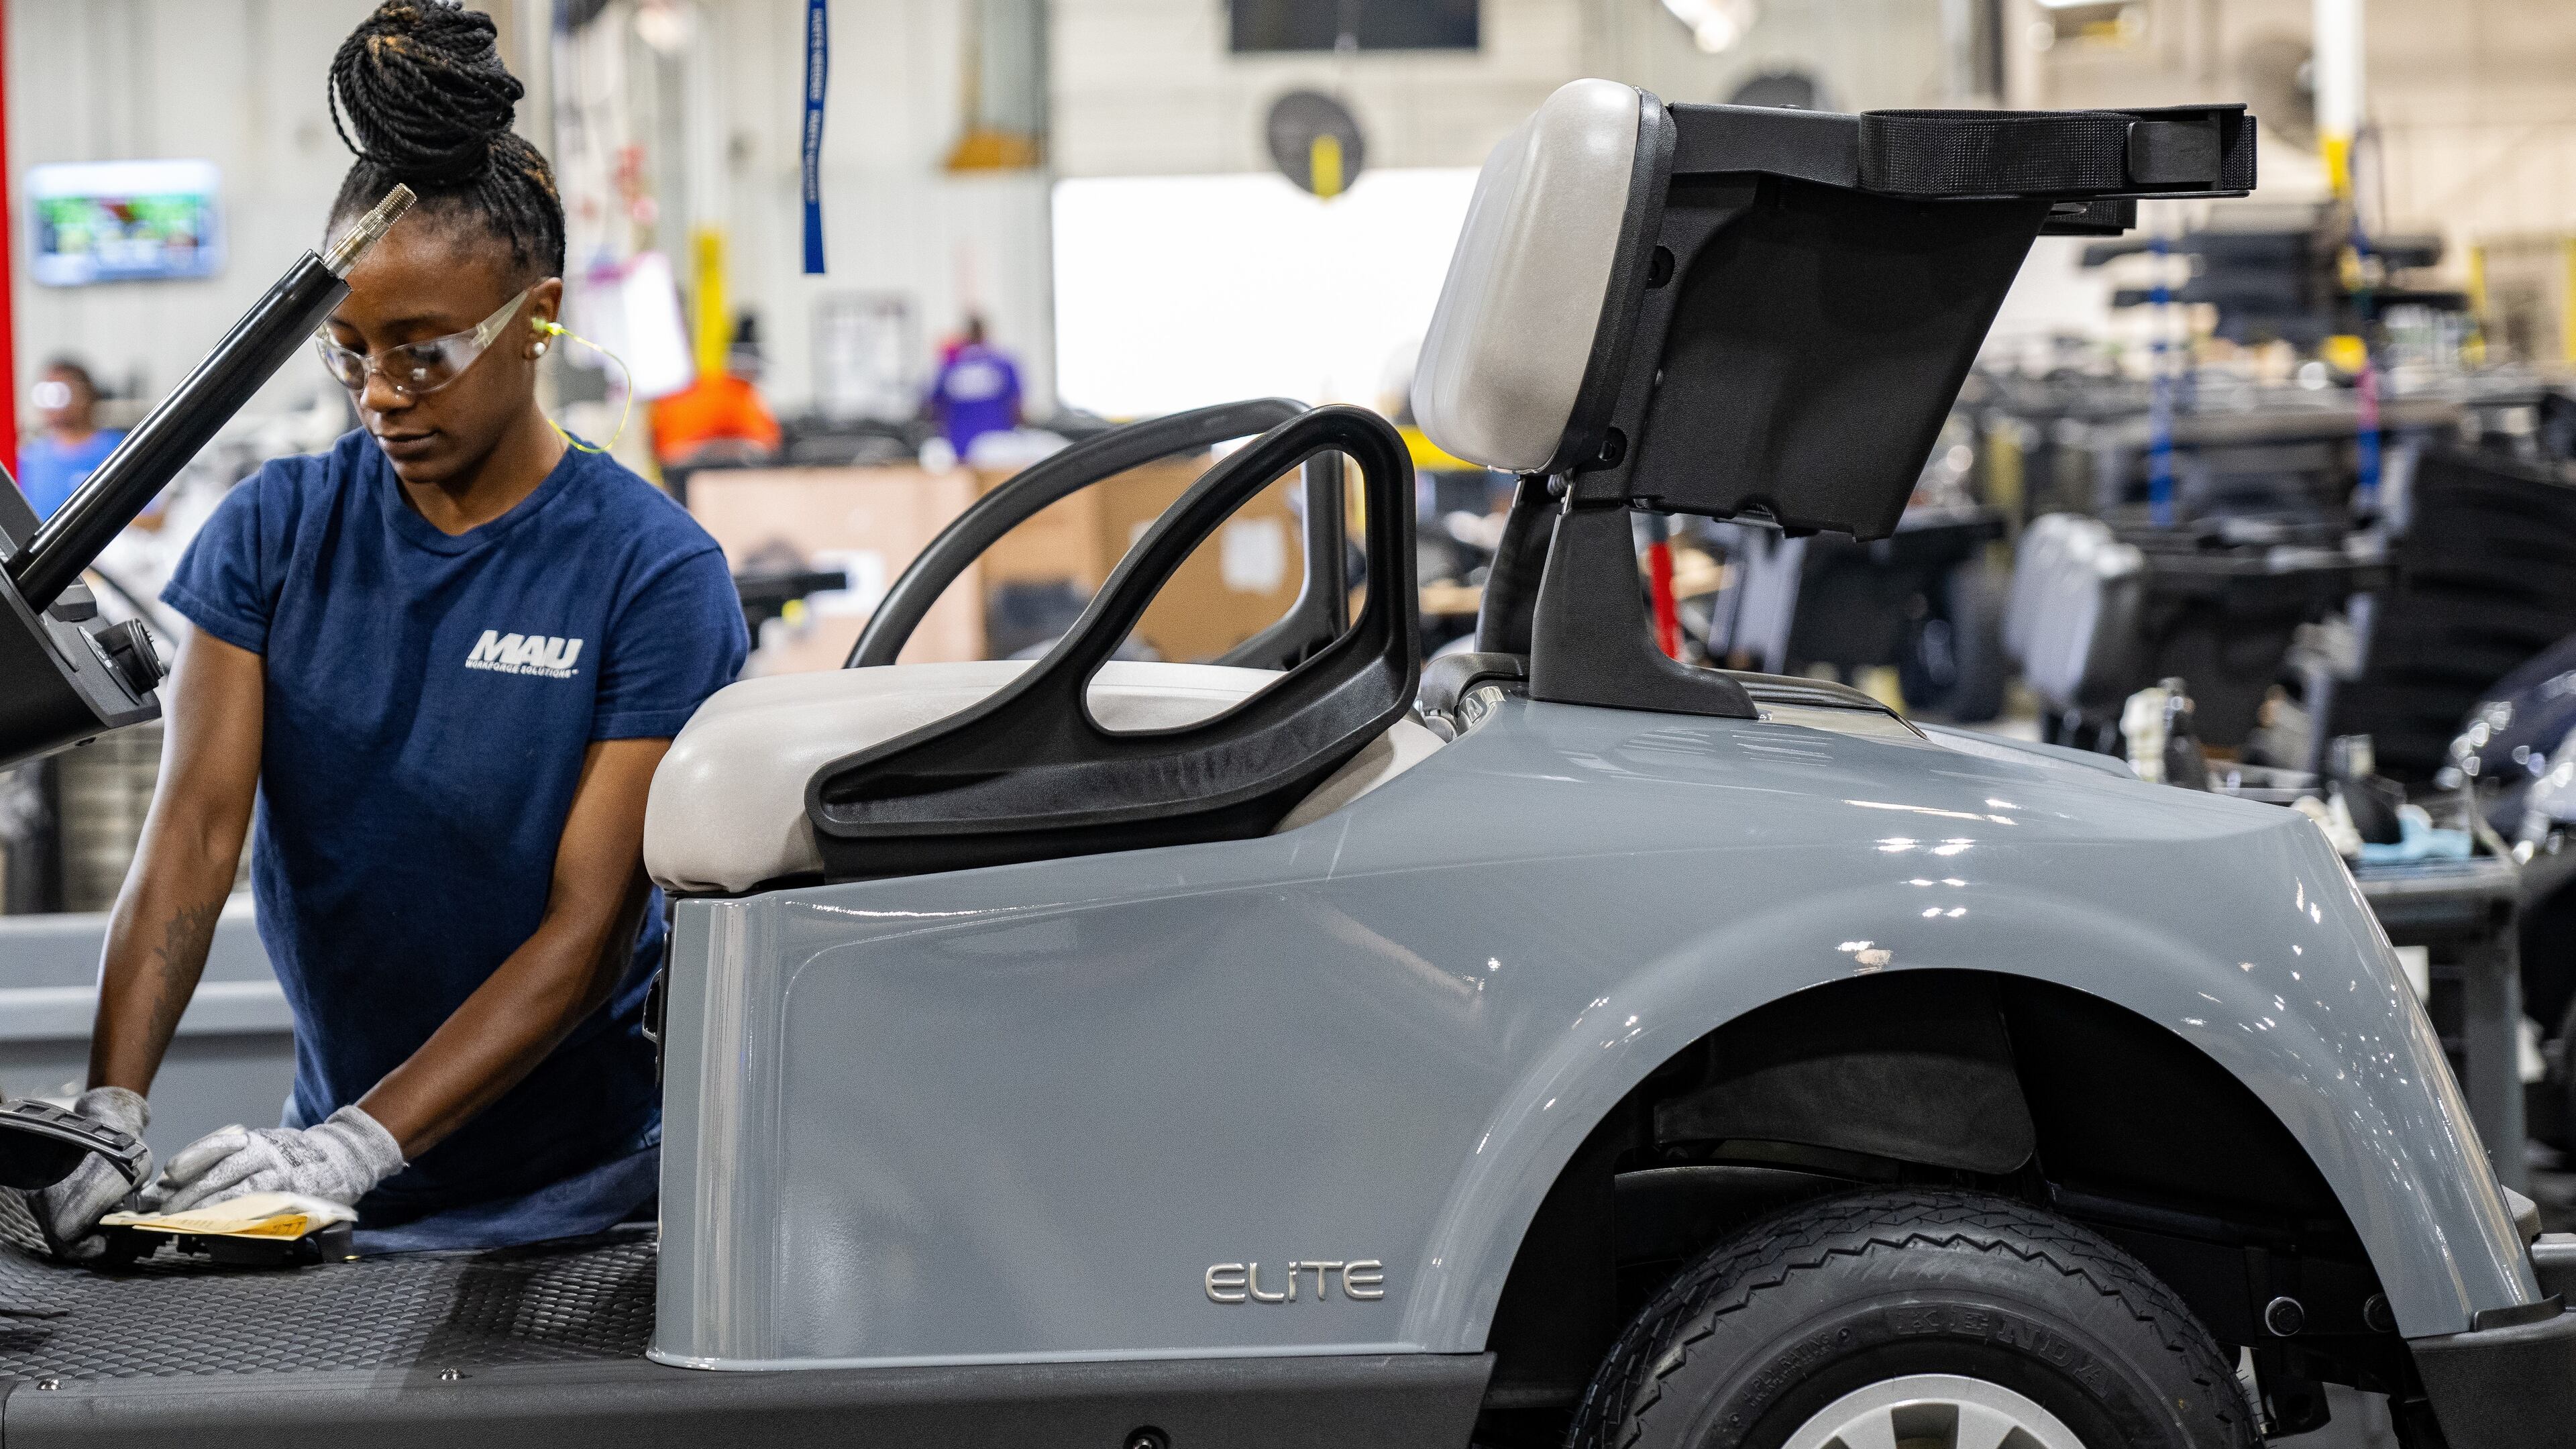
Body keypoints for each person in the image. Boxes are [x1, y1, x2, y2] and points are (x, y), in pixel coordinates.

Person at [27, 1, 747, 1258]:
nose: (378, 397)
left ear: (539, 316)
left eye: (423, 355)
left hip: (584, 1204)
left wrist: (361, 1141)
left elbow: (587, 936)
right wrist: (114, 1105)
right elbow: (195, 836)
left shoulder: (651, 571)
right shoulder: (272, 532)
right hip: (336, 1195)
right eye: (347, 351)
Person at [649, 313, 782, 470]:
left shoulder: (682, 390)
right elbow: (767, 445)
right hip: (682, 463)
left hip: (674, 461)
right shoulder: (739, 394)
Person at [17, 360, 127, 521]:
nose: (52, 404)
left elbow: (152, 517)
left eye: (60, 393)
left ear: (86, 394)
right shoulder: (29, 458)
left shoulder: (121, 450)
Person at [926, 315, 1022, 458]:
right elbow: (1017, 405)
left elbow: (933, 405)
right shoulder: (1002, 364)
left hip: (960, 444)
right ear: (985, 333)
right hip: (998, 445)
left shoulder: (951, 366)